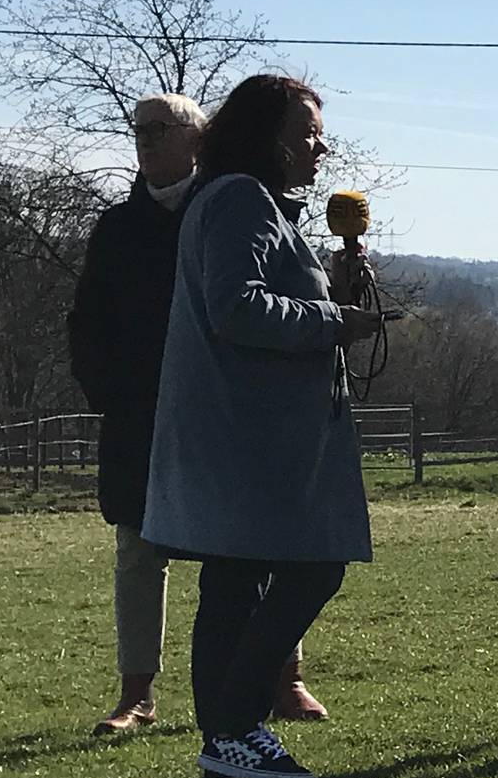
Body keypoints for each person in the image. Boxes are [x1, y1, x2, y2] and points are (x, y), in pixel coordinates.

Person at [143, 74, 382, 778]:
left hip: (240, 435)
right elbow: (238, 308)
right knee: (312, 565)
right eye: (307, 133)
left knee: (234, 584)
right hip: (248, 439)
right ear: (266, 136)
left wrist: (333, 291)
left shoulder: (238, 201)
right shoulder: (241, 199)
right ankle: (236, 726)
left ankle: (228, 740)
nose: (320, 146)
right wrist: (337, 322)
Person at [68, 93, 328, 736]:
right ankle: (137, 695)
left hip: (225, 408)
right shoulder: (118, 228)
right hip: (140, 413)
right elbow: (88, 325)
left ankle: (283, 678)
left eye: (160, 129)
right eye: (139, 130)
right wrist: (111, 395)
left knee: (252, 546)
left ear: (198, 139)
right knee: (138, 547)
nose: (145, 140)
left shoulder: (232, 206)